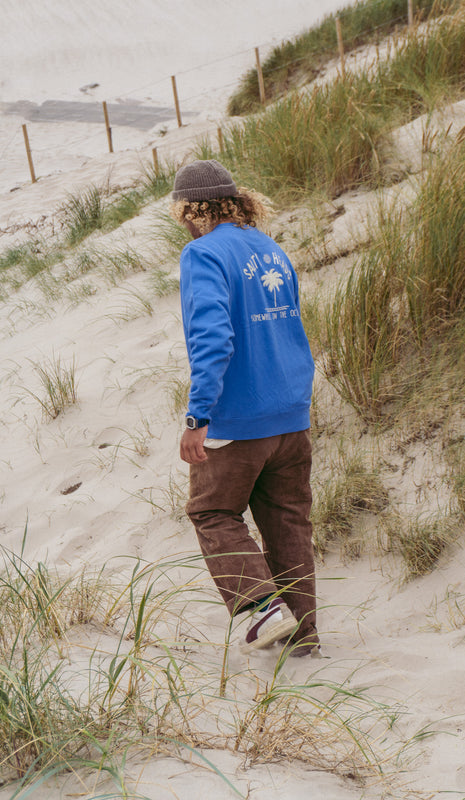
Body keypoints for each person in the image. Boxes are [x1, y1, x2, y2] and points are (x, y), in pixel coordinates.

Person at [170, 159, 320, 658]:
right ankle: (303, 639)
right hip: (291, 413)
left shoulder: (202, 253)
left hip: (240, 418)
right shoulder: (270, 248)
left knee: (211, 511)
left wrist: (198, 416)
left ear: (193, 210)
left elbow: (213, 339)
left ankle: (263, 608)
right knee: (288, 522)